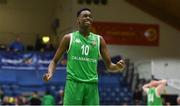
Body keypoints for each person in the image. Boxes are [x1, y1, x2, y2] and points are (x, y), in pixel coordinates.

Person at [43, 8, 126, 105]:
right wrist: (50, 73)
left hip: (92, 86)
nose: (88, 18)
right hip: (73, 84)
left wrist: (118, 67)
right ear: (78, 20)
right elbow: (54, 61)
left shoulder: (99, 40)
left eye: (90, 16)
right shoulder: (69, 38)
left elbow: (110, 66)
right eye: (85, 16)